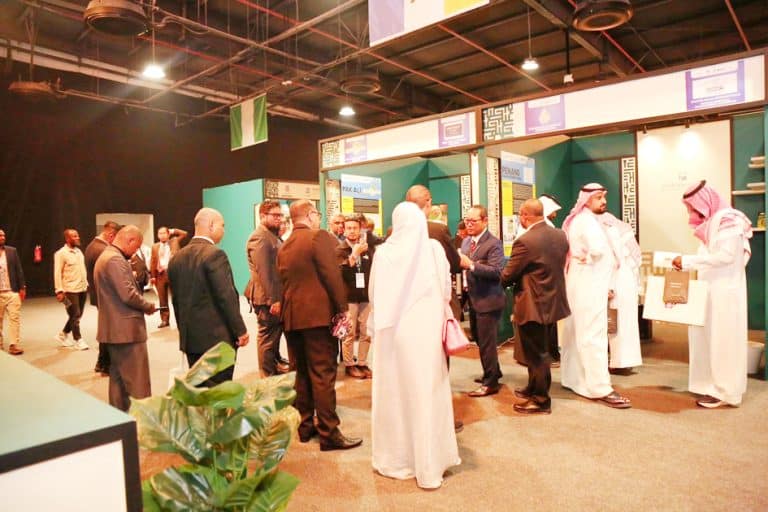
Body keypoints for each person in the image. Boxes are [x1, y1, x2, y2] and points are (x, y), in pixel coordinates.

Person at [370, 201, 461, 489]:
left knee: (395, 394)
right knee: (427, 392)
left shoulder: (383, 253)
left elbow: (374, 296)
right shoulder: (434, 250)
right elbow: (446, 292)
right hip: (426, 334)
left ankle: (396, 457)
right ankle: (429, 462)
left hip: (392, 336)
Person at [277, 199, 361, 452]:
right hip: (318, 317)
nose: (319, 218)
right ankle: (329, 433)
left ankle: (304, 427)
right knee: (323, 375)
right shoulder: (318, 237)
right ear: (310, 214)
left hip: (292, 319)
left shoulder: (285, 244)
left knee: (301, 373)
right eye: (318, 214)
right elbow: (331, 275)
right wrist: (342, 309)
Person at [672, 180, 752, 408]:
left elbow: (726, 256)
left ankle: (726, 392)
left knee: (723, 341)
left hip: (724, 293)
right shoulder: (713, 223)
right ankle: (709, 386)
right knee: (705, 338)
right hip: (709, 291)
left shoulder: (728, 221)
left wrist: (688, 261)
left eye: (691, 207)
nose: (690, 212)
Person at [560, 184, 631, 409]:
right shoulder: (586, 221)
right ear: (587, 199)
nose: (603, 202)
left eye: (603, 197)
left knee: (576, 333)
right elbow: (599, 249)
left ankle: (573, 379)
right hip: (589, 286)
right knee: (594, 335)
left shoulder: (581, 220)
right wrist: (592, 258)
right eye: (598, 197)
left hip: (582, 284)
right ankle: (600, 388)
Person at [501, 200, 570, 414]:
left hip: (532, 304)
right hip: (552, 301)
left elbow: (508, 274)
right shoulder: (560, 235)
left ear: (524, 215)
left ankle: (541, 400)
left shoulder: (525, 241)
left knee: (536, 354)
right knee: (540, 350)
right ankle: (533, 387)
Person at [168, 208, 248, 385]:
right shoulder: (215, 254)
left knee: (199, 390)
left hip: (191, 340)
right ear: (211, 225)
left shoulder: (176, 258)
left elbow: (176, 301)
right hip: (216, 341)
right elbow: (225, 296)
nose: (224, 230)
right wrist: (240, 330)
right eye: (222, 225)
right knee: (218, 391)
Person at [94, 225, 157, 411]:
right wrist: (148, 306)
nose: (135, 252)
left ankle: (121, 420)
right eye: (136, 247)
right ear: (130, 240)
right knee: (139, 385)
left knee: (118, 382)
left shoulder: (105, 256)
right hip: (127, 332)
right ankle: (144, 423)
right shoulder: (115, 259)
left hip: (115, 331)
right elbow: (128, 294)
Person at [460, 204, 506, 397]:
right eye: (467, 221)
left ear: (485, 221)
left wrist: (471, 265)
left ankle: (490, 382)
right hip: (473, 299)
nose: (469, 224)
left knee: (487, 343)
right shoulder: (466, 242)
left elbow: (496, 272)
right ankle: (494, 371)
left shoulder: (494, 243)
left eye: (473, 221)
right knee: (480, 340)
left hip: (489, 300)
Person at [245, 201, 289, 377]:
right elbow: (265, 272)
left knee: (274, 335)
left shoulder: (271, 235)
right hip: (266, 298)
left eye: (280, 215)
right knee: (267, 338)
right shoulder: (260, 238)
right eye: (275, 215)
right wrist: (274, 300)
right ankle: (267, 375)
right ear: (263, 216)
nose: (279, 219)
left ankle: (274, 366)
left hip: (273, 296)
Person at [601, 212, 643, 374]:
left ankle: (618, 362)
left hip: (616, 282)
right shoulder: (624, 229)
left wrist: (608, 286)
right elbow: (636, 259)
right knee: (628, 322)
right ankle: (628, 361)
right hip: (628, 281)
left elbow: (611, 263)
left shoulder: (608, 233)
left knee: (615, 322)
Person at [335, 215, 374, 379]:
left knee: (366, 331)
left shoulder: (367, 248)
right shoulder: (340, 249)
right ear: (344, 230)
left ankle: (362, 363)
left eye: (355, 228)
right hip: (348, 297)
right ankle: (349, 364)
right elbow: (339, 272)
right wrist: (354, 254)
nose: (352, 231)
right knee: (349, 333)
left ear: (360, 230)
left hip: (365, 296)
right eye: (349, 228)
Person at [84, 220, 121, 375]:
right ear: (111, 235)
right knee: (109, 331)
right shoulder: (102, 250)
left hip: (99, 294)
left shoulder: (92, 246)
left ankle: (101, 363)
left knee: (106, 329)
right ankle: (105, 364)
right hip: (106, 295)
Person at [53, 228, 89, 351]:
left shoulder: (79, 252)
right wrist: (59, 291)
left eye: (77, 235)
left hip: (82, 288)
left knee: (77, 315)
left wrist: (86, 283)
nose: (78, 238)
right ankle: (78, 340)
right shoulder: (61, 253)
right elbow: (57, 273)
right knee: (75, 315)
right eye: (74, 236)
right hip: (69, 291)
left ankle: (62, 334)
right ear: (67, 239)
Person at [150, 226, 188, 328]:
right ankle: (164, 320)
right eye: (160, 233)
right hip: (160, 275)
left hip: (173, 273)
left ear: (168, 234)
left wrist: (173, 230)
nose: (162, 235)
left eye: (164, 233)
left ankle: (180, 319)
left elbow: (184, 233)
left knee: (176, 297)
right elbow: (153, 261)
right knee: (162, 299)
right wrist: (152, 276)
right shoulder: (155, 246)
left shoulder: (174, 241)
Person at [0, 229, 26, 355]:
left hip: (12, 291)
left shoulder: (11, 251)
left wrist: (22, 287)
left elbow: (18, 269)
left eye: (3, 235)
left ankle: (13, 345)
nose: (2, 237)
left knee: (14, 318)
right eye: (0, 235)